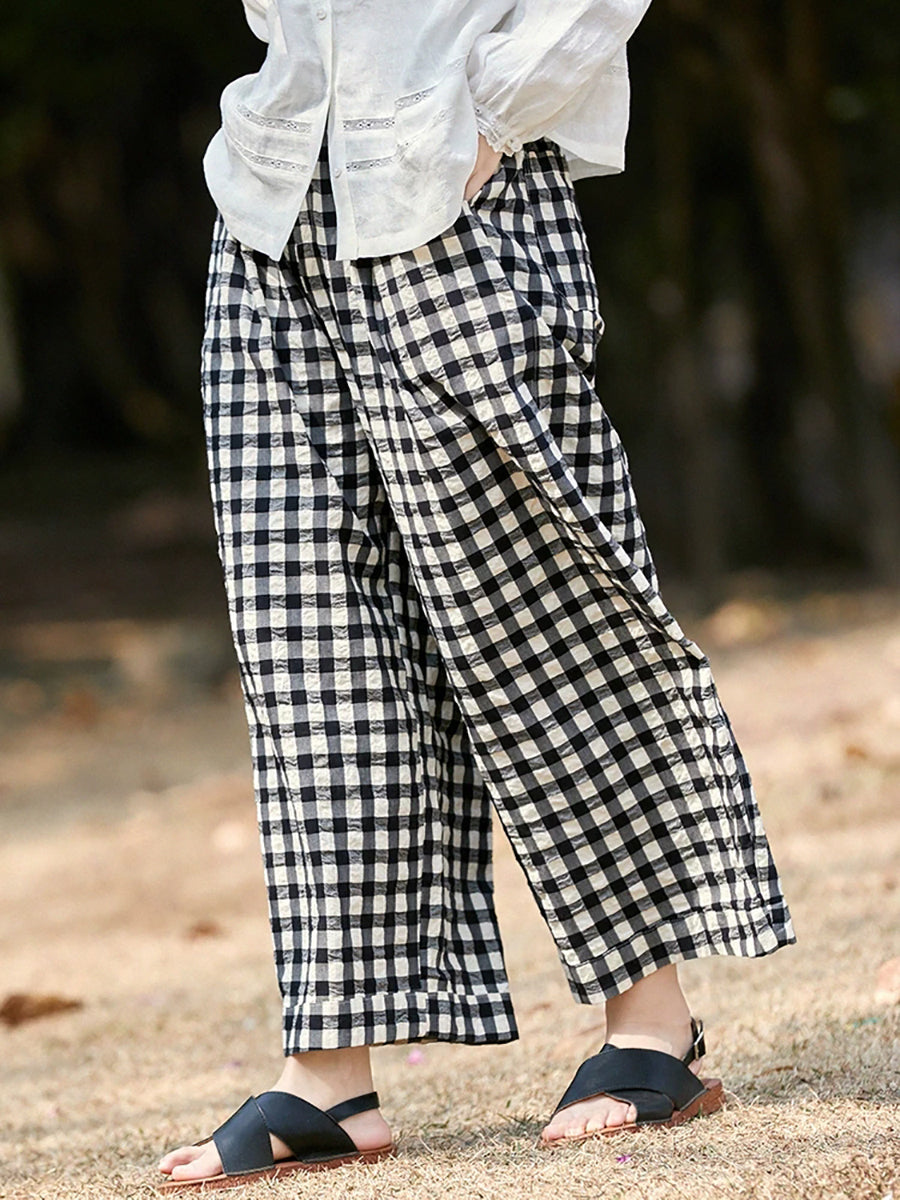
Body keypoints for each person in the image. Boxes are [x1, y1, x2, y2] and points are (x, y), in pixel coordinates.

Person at [158, 0, 796, 1188]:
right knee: (318, 661)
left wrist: (489, 122)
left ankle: (652, 1023)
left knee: (541, 615)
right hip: (275, 200)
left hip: (453, 191)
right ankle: (329, 1074)